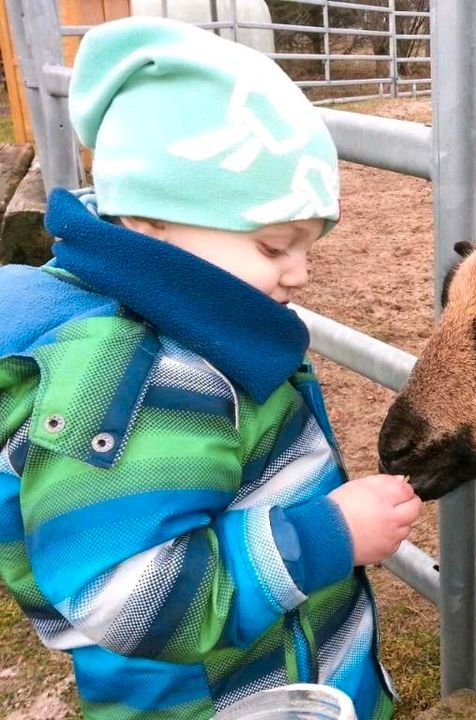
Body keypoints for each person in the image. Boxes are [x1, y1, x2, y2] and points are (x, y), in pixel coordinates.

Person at [0, 16, 421, 720]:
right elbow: (132, 598)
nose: (301, 273)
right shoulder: (132, 379)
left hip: (273, 669)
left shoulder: (185, 329)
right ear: (151, 221)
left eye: (308, 244)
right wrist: (326, 537)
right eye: (273, 245)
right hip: (217, 700)